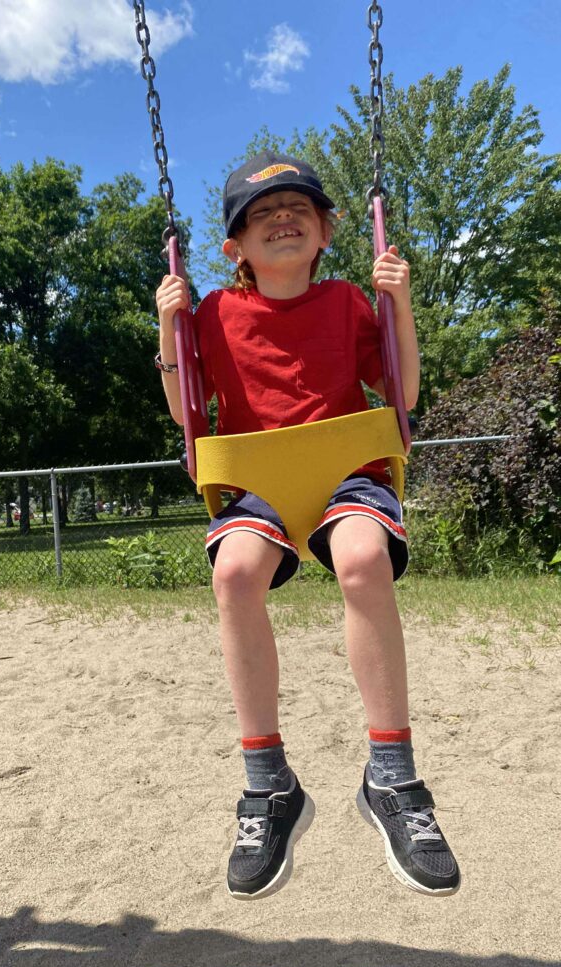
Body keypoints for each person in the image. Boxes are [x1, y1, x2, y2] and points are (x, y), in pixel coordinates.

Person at [155, 151, 460, 901]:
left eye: (298, 209)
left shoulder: (352, 302)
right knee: (233, 573)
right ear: (235, 250)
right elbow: (186, 415)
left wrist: (400, 306)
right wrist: (169, 330)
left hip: (347, 471)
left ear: (328, 229)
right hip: (256, 481)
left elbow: (403, 390)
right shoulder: (213, 316)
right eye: (261, 215)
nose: (281, 219)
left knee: (362, 560)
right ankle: (269, 784)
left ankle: (392, 775)